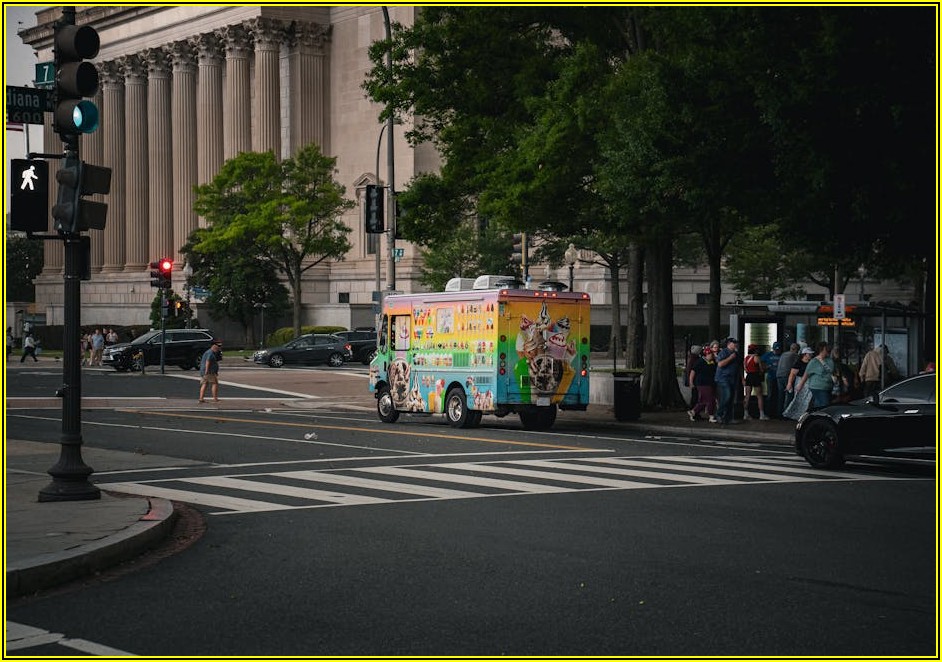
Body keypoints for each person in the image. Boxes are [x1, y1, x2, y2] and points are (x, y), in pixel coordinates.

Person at [797, 341, 835, 409]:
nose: (828, 350)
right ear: (822, 349)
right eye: (827, 348)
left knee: (818, 404)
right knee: (825, 405)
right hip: (818, 387)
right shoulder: (814, 362)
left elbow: (833, 371)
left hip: (828, 387)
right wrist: (800, 385)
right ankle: (821, 419)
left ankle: (816, 418)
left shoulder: (830, 360)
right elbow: (806, 374)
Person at [714, 337, 741, 425]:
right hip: (723, 378)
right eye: (734, 343)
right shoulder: (724, 352)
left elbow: (738, 367)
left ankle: (728, 418)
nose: (736, 345)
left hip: (732, 378)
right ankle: (719, 414)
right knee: (727, 396)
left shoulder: (736, 354)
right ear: (729, 344)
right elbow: (720, 364)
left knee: (731, 398)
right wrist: (730, 358)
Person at [688, 346, 718, 422]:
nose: (711, 356)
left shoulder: (712, 362)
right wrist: (691, 382)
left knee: (704, 400)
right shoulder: (700, 362)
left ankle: (694, 411)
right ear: (706, 354)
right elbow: (693, 372)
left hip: (710, 383)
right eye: (710, 354)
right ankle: (711, 415)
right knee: (710, 399)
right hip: (702, 383)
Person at [743, 343, 769, 420]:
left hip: (749, 377)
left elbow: (745, 369)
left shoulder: (746, 358)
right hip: (756, 376)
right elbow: (761, 369)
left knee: (747, 395)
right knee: (759, 396)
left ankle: (745, 414)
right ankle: (761, 414)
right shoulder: (757, 358)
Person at [776, 343, 800, 417]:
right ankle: (786, 413)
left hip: (779, 375)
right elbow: (798, 365)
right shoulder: (795, 355)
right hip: (787, 376)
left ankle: (779, 413)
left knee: (781, 395)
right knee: (789, 395)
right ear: (796, 349)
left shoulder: (783, 354)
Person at [761, 342, 782, 418]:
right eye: (776, 350)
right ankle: (769, 412)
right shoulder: (768, 355)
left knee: (778, 394)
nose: (777, 351)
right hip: (770, 376)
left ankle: (777, 412)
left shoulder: (781, 355)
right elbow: (761, 361)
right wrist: (764, 367)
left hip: (779, 377)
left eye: (778, 350)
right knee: (770, 394)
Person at [683, 344, 702, 410]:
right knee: (695, 394)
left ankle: (693, 406)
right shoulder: (695, 359)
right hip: (695, 379)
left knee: (695, 394)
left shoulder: (692, 358)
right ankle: (694, 407)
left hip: (694, 379)